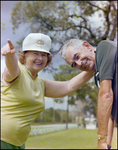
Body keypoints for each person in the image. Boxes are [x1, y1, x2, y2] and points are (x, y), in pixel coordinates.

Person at [1, 33, 94, 149]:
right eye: (35, 53)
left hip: (18, 143)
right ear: (24, 56)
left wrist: (93, 65)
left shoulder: (40, 83)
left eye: (44, 55)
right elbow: (11, 68)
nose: (40, 58)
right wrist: (10, 56)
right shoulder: (17, 73)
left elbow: (68, 86)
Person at [59, 39, 117, 149]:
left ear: (87, 46)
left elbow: (106, 95)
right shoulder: (97, 77)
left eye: (77, 56)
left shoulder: (104, 47)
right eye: (74, 64)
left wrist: (101, 140)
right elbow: (109, 114)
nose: (79, 63)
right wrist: (107, 144)